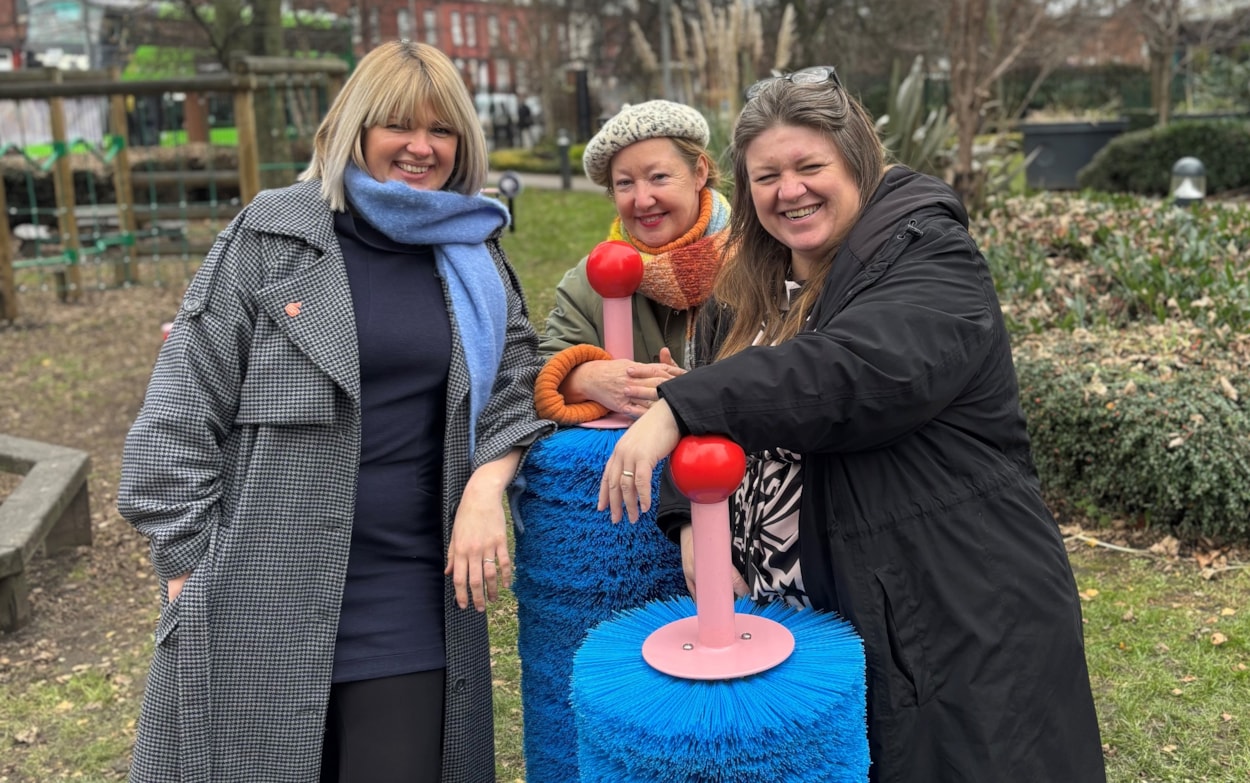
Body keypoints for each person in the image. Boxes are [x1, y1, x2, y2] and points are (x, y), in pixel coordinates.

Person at [597, 67, 1107, 782]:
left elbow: (847, 374)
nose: (790, 189)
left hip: (952, 618)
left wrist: (679, 409)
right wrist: (691, 519)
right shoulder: (748, 289)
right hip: (819, 635)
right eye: (767, 175)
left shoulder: (930, 257)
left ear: (859, 161)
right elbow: (720, 400)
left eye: (811, 166)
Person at [118, 40, 553, 783]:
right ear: (356, 128)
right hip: (261, 589)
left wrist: (486, 486)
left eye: (442, 130)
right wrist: (190, 567)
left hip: (411, 600)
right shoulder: (272, 236)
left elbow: (522, 380)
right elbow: (179, 412)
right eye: (398, 126)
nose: (421, 147)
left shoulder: (472, 251)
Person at [534, 99, 731, 426]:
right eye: (625, 183)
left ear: (699, 173)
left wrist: (692, 399)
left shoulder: (757, 266)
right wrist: (587, 378)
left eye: (658, 177)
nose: (642, 200)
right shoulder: (588, 282)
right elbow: (542, 372)